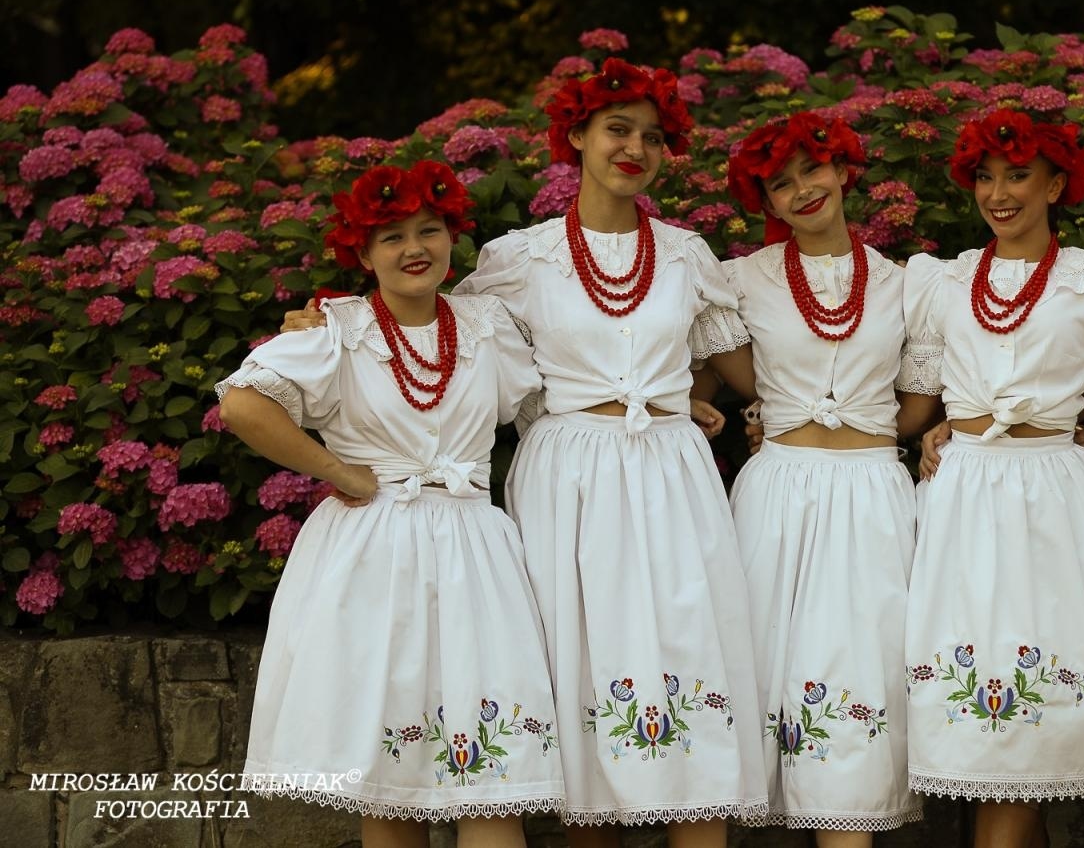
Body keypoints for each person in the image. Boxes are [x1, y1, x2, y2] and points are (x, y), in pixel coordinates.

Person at [450, 58, 767, 847]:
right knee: (580, 664)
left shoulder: (689, 255)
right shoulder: (520, 258)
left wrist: (942, 410)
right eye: (617, 130)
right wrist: (327, 329)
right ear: (577, 136)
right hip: (568, 473)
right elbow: (444, 345)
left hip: (669, 468)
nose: (635, 148)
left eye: (653, 137)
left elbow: (759, 372)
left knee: (689, 655)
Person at [217, 161, 563, 848]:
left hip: (474, 552)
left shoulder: (487, 323)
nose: (414, 249)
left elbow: (553, 406)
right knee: (391, 784)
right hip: (377, 554)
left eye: (429, 231)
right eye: (392, 237)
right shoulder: (338, 331)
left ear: (451, 238)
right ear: (363, 254)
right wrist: (337, 469)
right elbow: (242, 404)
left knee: (492, 785)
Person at [895, 109, 1084, 848]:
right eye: (985, 176)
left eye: (1018, 175)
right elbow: (912, 411)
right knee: (984, 736)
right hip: (964, 494)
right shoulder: (942, 284)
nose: (998, 193)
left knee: (1035, 732)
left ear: (1057, 183)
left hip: (1054, 500)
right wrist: (775, 422)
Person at [706, 113, 926, 844]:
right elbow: (719, 373)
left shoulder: (907, 284)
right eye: (781, 184)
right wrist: (719, 407)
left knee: (859, 678)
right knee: (771, 673)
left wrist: (946, 427)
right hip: (776, 497)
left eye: (814, 171)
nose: (803, 190)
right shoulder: (739, 281)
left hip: (871, 494)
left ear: (843, 173)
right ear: (764, 204)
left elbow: (928, 394)